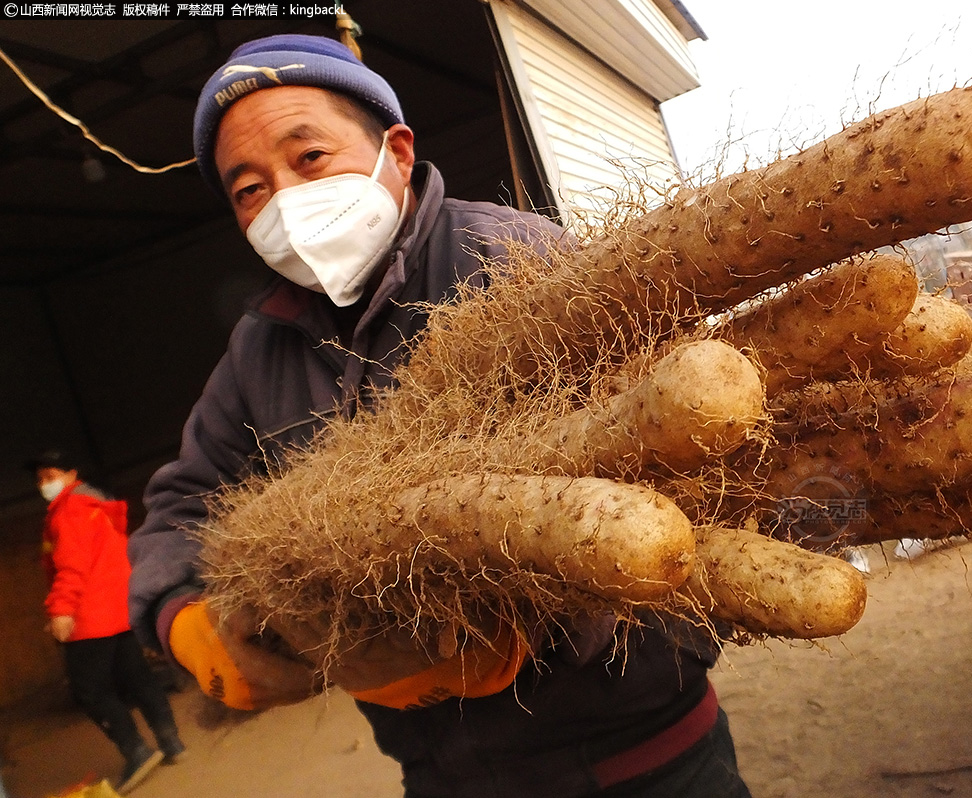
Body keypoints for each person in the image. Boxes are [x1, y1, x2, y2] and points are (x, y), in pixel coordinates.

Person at [127, 34, 751, 798]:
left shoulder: (513, 260)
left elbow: (667, 472)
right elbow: (179, 506)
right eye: (250, 189)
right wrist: (183, 621)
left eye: (309, 158)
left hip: (640, 757)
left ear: (396, 148)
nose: (285, 199)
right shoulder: (259, 350)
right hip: (443, 778)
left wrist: (533, 630)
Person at [28, 450, 186, 795]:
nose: (44, 484)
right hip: (119, 611)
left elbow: (72, 567)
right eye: (40, 479)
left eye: (50, 475)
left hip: (90, 619)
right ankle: (170, 741)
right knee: (138, 679)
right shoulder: (98, 507)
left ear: (72, 473)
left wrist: (63, 611)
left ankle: (136, 751)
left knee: (90, 692)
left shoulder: (69, 513)